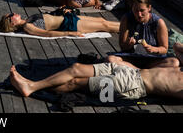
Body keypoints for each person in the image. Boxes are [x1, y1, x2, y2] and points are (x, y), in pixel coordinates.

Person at [9, 43, 183, 100]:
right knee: (75, 68)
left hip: (132, 86)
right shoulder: (178, 65)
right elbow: (177, 47)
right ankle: (32, 85)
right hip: (131, 72)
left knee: (74, 83)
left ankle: (32, 88)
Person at [106, 0, 180, 69]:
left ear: (149, 8)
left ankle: (135, 70)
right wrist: (128, 44)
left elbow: (164, 49)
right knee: (110, 59)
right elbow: (123, 47)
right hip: (132, 57)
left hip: (152, 59)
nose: (139, 14)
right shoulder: (126, 19)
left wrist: (153, 49)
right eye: (135, 10)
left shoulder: (158, 22)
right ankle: (142, 71)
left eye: (142, 10)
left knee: (174, 62)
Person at [0, 9, 119, 37]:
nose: (13, 13)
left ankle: (127, 25)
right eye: (10, 15)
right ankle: (130, 28)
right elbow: (47, 34)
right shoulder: (27, 26)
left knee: (101, 20)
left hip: (68, 17)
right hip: (70, 25)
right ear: (12, 23)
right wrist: (69, 33)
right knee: (104, 26)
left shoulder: (28, 20)